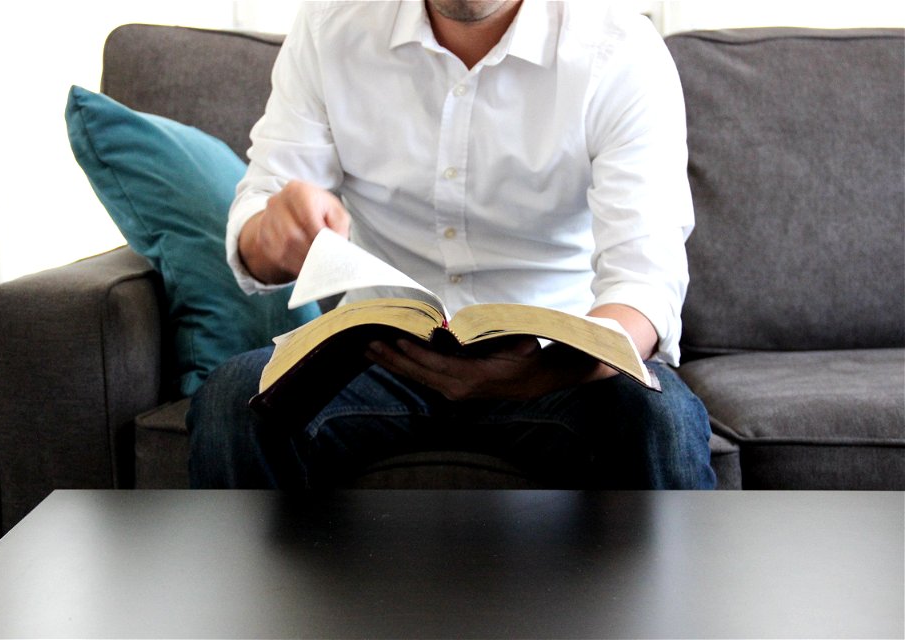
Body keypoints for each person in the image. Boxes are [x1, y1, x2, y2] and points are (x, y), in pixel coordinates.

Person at [188, 0, 717, 489]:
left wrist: (546, 373)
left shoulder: (620, 48)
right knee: (236, 397)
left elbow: (644, 284)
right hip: (379, 359)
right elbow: (261, 229)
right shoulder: (333, 24)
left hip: (558, 370)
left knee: (662, 417)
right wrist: (273, 234)